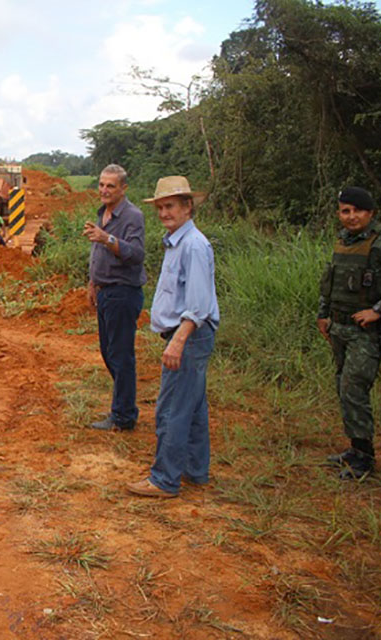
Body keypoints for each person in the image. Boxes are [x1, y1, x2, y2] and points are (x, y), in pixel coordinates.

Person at [127, 176, 219, 498]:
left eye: (171, 206)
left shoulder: (193, 245)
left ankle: (164, 479)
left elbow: (198, 305)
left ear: (187, 207)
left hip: (188, 336)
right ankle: (195, 471)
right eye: (161, 207)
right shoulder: (177, 241)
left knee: (171, 410)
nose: (165, 213)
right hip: (186, 336)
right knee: (192, 408)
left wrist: (179, 341)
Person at [317, 187, 381, 480]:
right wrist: (323, 314)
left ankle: (364, 459)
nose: (351, 217)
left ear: (371, 212)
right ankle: (355, 449)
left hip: (367, 332)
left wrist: (379, 310)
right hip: (339, 326)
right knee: (344, 387)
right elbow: (330, 281)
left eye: (357, 210)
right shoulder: (344, 241)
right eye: (345, 211)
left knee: (353, 388)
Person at [83, 164, 146, 432]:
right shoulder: (104, 213)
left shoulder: (132, 216)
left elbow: (136, 254)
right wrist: (92, 282)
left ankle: (123, 416)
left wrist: (106, 238)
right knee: (109, 352)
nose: (104, 190)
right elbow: (98, 253)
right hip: (105, 291)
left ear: (123, 188)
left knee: (121, 356)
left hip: (123, 292)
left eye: (110, 186)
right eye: (101, 185)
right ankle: (124, 407)